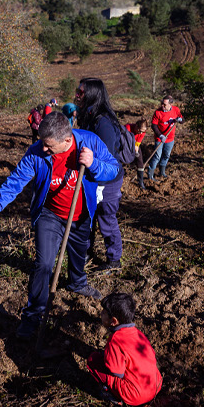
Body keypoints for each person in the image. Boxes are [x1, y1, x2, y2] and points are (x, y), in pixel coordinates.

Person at [0, 111, 120, 338]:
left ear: (67, 140)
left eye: (49, 145)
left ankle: (77, 282)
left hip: (81, 214)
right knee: (44, 264)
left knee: (78, 253)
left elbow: (114, 169)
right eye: (42, 143)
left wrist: (93, 163)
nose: (43, 149)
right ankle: (33, 315)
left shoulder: (89, 142)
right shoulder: (37, 153)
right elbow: (13, 184)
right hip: (51, 214)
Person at [75, 78, 133, 274]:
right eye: (78, 91)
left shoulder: (103, 122)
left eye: (81, 92)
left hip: (107, 180)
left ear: (92, 95)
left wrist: (98, 183)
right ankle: (86, 251)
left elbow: (107, 160)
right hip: (92, 178)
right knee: (87, 217)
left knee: (106, 219)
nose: (77, 95)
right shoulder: (89, 116)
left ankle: (114, 260)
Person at [87, 292, 162, 407]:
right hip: (155, 386)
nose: (101, 313)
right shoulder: (139, 334)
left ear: (114, 321)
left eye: (104, 313)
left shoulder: (115, 340)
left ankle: (113, 396)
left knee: (93, 359)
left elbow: (117, 373)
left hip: (135, 395)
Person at [147, 96, 184, 180]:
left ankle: (162, 172)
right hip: (160, 138)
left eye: (164, 104)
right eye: (161, 104)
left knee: (166, 155)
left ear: (171, 104)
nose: (162, 106)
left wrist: (180, 120)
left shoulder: (176, 110)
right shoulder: (158, 112)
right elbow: (154, 125)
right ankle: (150, 175)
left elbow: (182, 120)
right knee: (157, 156)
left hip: (170, 138)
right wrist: (160, 135)